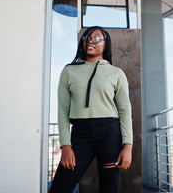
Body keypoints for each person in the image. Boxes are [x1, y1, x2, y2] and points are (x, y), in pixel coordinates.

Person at [49, 26, 133, 193]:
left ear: (105, 44)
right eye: (86, 38)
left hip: (110, 134)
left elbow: (124, 109)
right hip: (80, 136)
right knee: (59, 188)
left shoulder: (116, 73)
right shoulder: (69, 71)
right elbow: (63, 110)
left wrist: (128, 146)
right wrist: (65, 145)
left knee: (109, 190)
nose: (90, 41)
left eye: (96, 38)